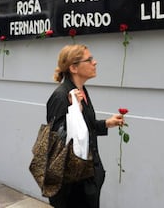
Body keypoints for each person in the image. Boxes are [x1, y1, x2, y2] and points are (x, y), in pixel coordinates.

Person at [46, 44, 124, 208]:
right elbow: (57, 141)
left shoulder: (81, 91)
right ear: (74, 67)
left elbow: (84, 127)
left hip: (88, 176)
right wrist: (75, 109)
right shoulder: (61, 97)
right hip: (73, 183)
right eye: (89, 60)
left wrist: (107, 123)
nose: (94, 62)